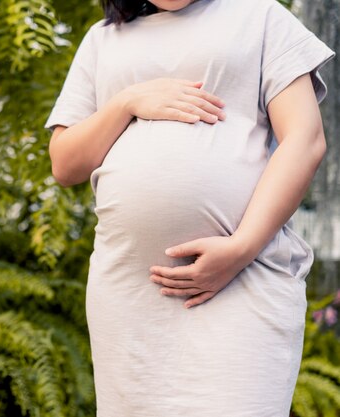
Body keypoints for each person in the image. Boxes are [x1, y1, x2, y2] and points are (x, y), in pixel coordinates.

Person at [43, 0, 336, 415]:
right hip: (129, 294)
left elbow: (305, 139)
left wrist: (242, 248)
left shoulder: (261, 16)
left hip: (243, 281)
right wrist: (127, 101)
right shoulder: (101, 41)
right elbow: (65, 162)